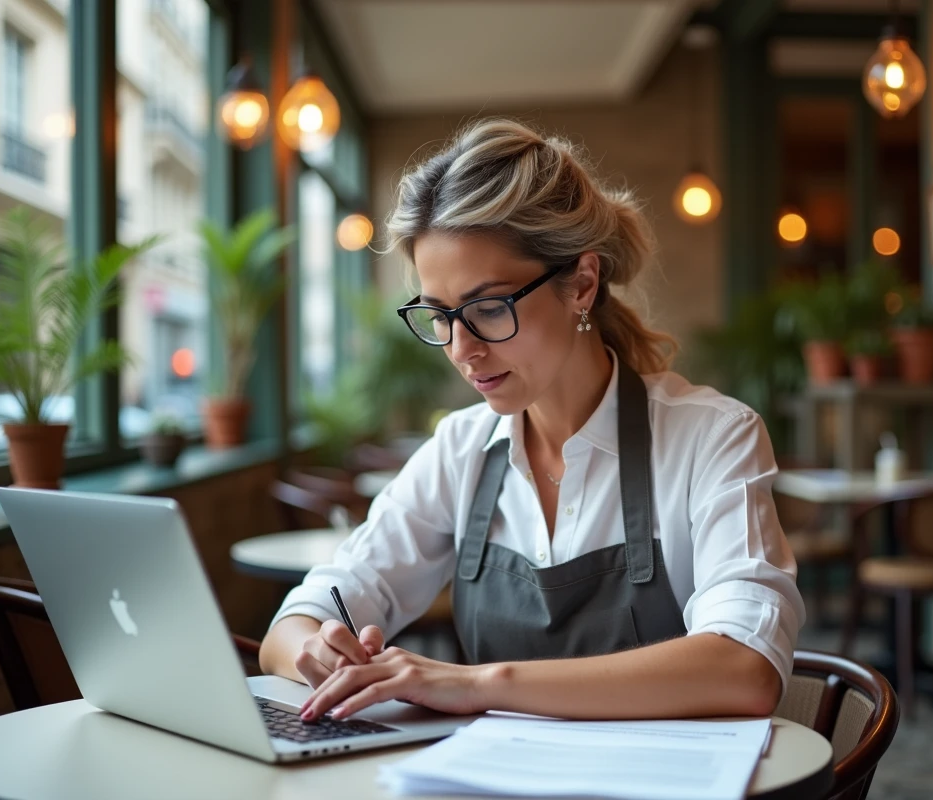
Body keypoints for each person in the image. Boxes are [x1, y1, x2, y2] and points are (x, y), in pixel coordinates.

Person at [259, 118, 805, 724]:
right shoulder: (460, 451)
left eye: (489, 308)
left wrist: (476, 684)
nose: (461, 349)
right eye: (440, 316)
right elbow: (295, 624)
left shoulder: (711, 437)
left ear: (582, 285)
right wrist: (316, 648)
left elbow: (744, 670)